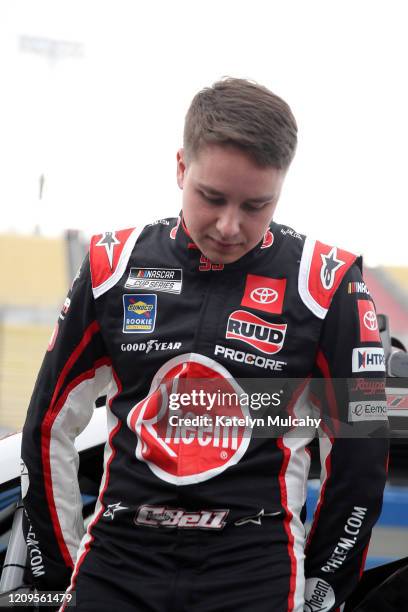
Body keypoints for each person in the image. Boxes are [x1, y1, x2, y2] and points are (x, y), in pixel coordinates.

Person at [21, 78, 389, 612]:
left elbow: (361, 451)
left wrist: (325, 591)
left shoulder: (327, 282)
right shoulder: (113, 264)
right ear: (179, 168)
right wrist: (55, 570)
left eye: (256, 205)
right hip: (119, 558)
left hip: (255, 568)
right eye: (211, 197)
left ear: (281, 188)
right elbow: (49, 423)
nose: (229, 225)